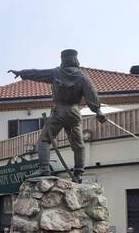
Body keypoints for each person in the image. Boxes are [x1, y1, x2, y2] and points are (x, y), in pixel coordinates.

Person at [8, 49, 107, 181]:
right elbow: (92, 96)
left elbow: (38, 74)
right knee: (78, 144)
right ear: (76, 60)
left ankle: (44, 168)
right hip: (74, 112)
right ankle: (78, 174)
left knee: (44, 139)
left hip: (58, 112)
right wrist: (98, 111)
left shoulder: (56, 73)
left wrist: (22, 73)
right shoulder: (83, 77)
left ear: (63, 60)